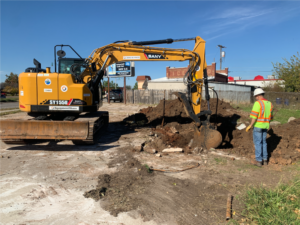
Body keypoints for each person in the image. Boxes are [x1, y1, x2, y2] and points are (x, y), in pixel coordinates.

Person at [246, 88, 273, 167]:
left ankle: (258, 161)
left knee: (258, 143)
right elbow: (271, 117)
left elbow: (254, 116)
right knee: (264, 142)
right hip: (266, 126)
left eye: (255, 96)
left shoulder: (257, 103)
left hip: (258, 126)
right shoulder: (270, 103)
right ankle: (265, 159)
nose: (255, 98)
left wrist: (250, 125)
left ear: (257, 96)